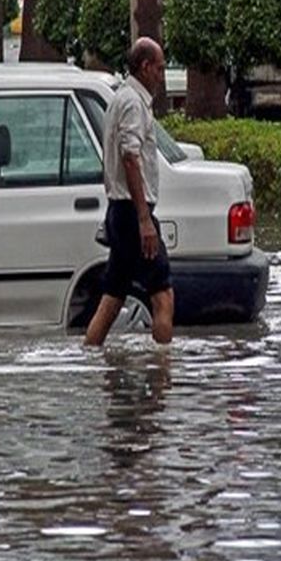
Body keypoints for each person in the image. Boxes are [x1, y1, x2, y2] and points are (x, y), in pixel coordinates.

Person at [84, 38, 175, 346]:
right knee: (163, 297)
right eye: (160, 69)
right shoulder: (133, 103)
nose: (162, 77)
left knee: (111, 298)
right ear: (145, 67)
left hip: (120, 212)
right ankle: (163, 376)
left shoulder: (121, 98)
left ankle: (92, 356)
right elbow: (130, 157)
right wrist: (144, 219)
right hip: (132, 212)